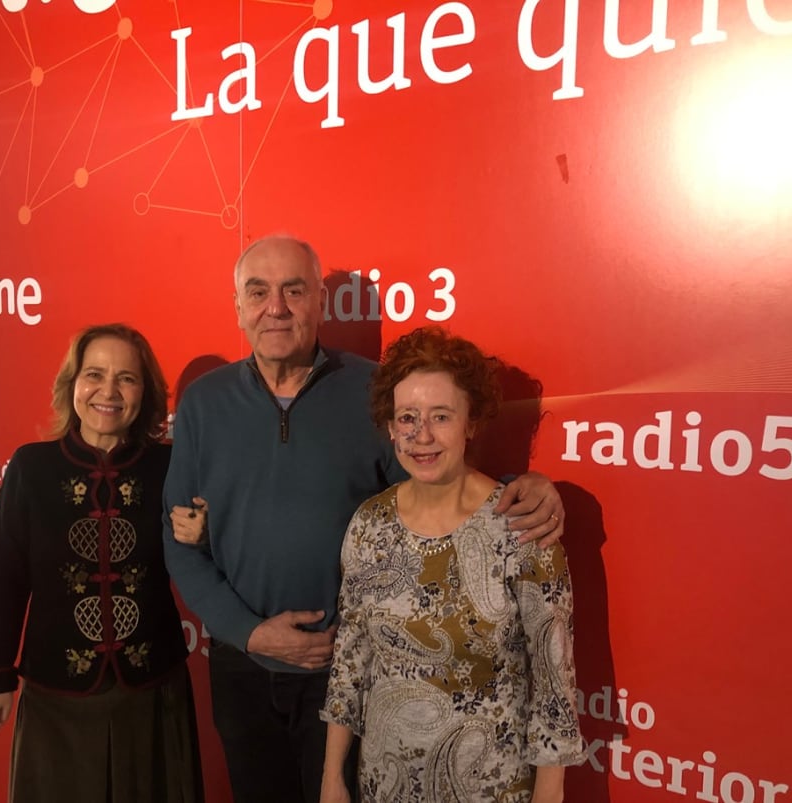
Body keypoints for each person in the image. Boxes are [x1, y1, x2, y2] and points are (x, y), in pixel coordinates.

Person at [162, 235, 566, 803]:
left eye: (293, 290)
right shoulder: (203, 404)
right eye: (258, 292)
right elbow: (178, 540)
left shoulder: (374, 390)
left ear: (320, 304)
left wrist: (521, 490)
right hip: (240, 666)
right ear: (238, 307)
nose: (275, 307)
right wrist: (250, 632)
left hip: (346, 676)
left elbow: (432, 490)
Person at [320, 326, 585, 803]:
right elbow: (351, 660)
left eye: (441, 416)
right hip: (384, 786)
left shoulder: (523, 528)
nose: (422, 436)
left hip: (491, 790)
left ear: (471, 422)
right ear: (389, 425)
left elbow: (553, 688)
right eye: (407, 418)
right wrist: (332, 775)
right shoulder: (369, 524)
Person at [0, 323, 205, 803]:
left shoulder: (171, 465)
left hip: (151, 691)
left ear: (146, 392)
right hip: (56, 696)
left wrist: (202, 537)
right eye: (94, 374)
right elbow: (4, 579)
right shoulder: (31, 468)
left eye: (127, 378)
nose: (109, 391)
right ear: (71, 385)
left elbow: (203, 560)